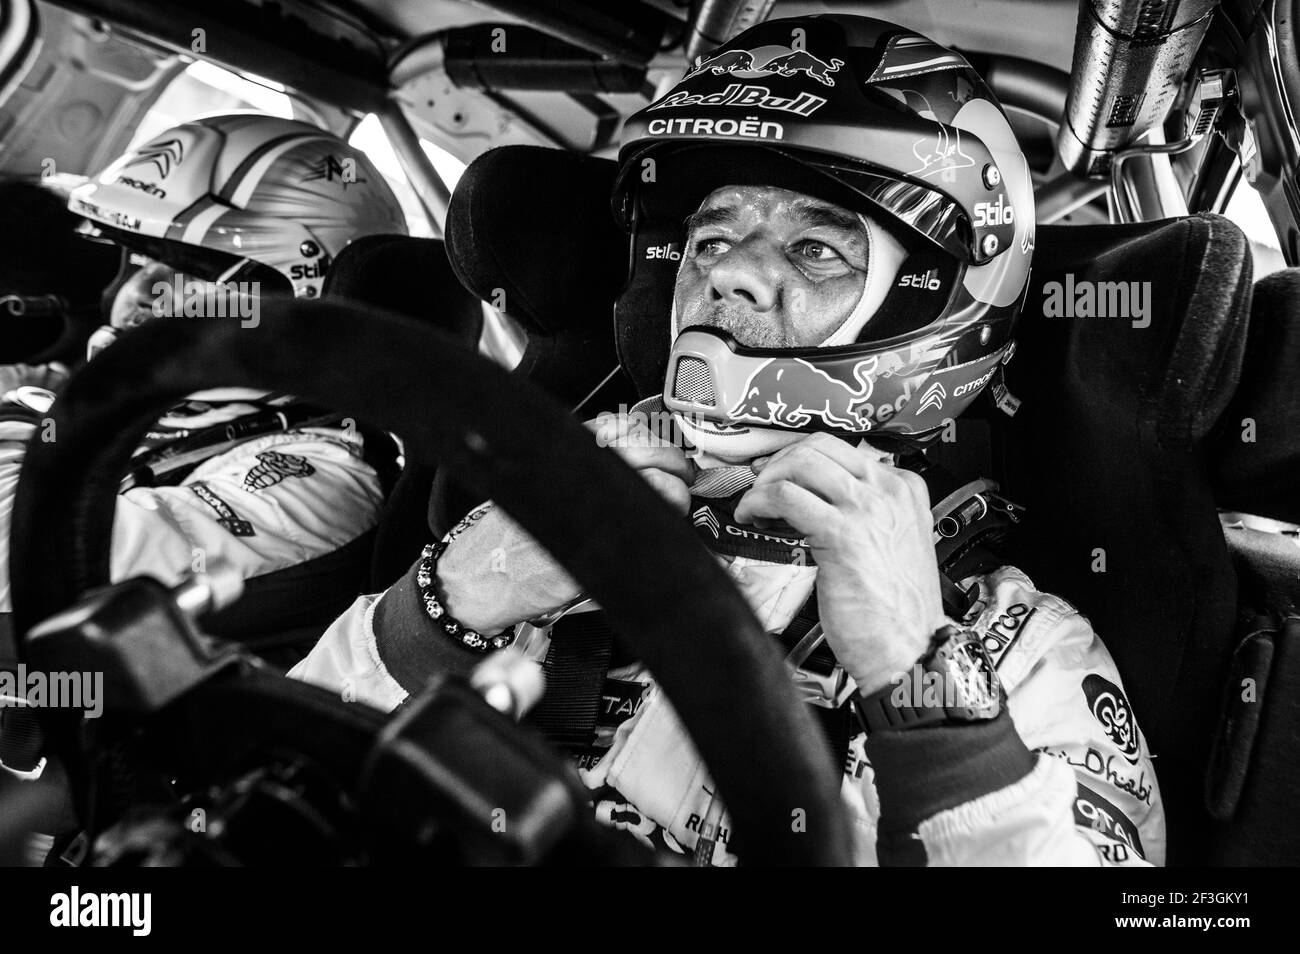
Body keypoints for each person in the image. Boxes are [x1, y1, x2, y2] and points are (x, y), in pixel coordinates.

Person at [291, 15, 1165, 866]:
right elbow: (274, 779)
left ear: (925, 304)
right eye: (710, 238)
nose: (729, 274)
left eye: (819, 248)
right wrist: (452, 598)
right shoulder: (550, 523)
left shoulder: (1015, 646)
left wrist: (915, 675)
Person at [0, 113, 408, 645]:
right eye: (136, 260)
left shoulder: (325, 480)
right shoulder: (169, 413)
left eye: (188, 272)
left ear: (299, 297)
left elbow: (27, 568)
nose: (141, 291)